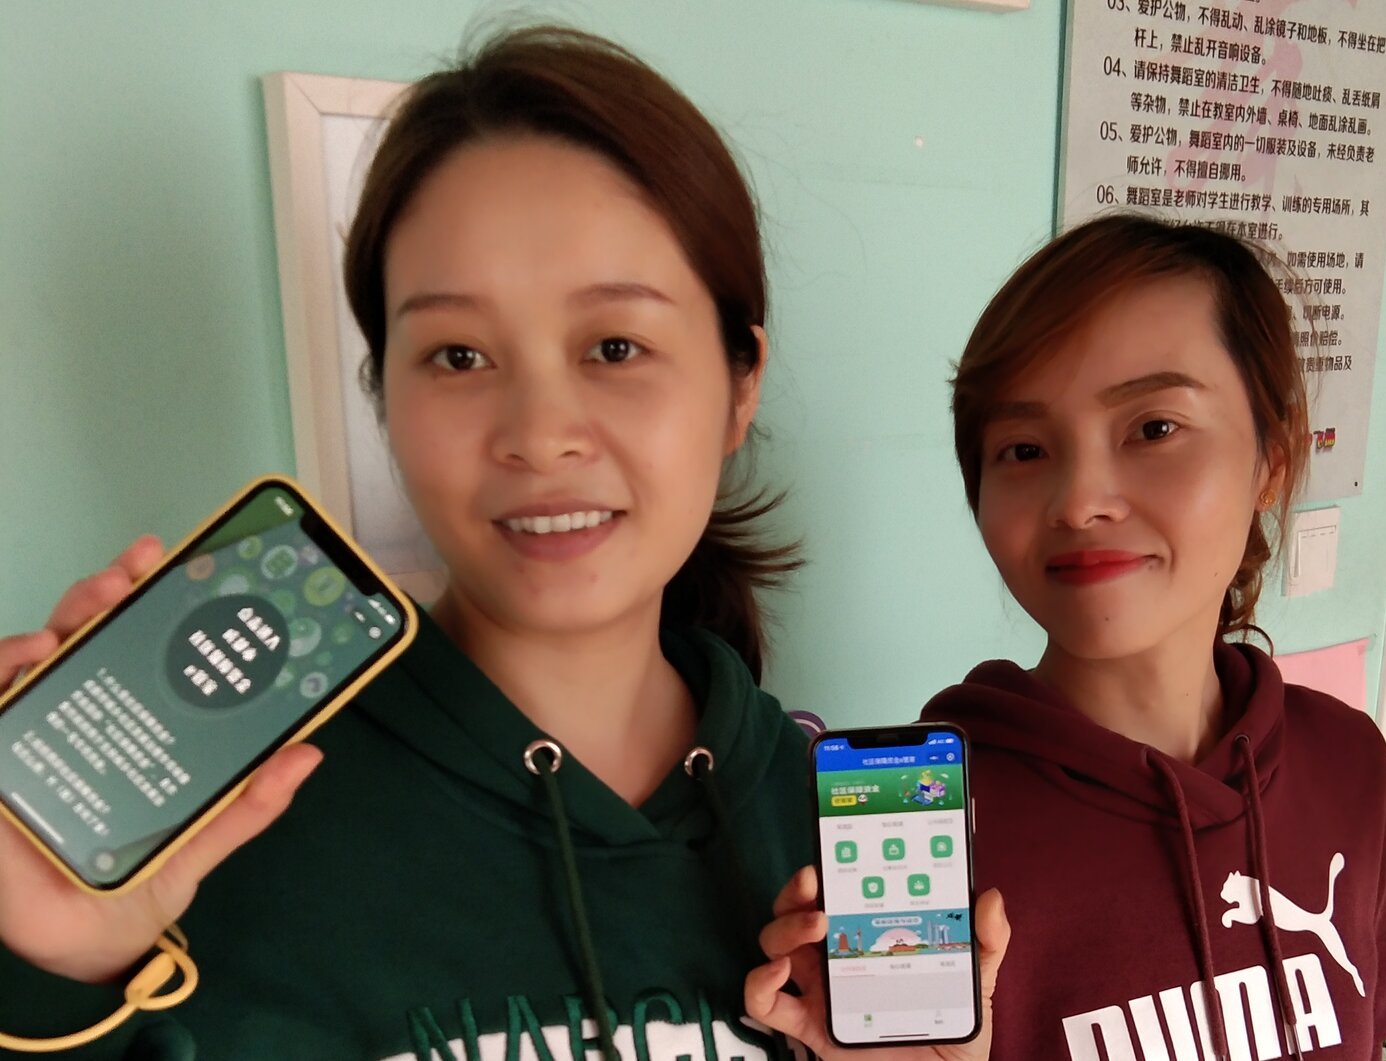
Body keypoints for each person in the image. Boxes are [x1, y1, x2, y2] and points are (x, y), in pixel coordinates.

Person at [0, 26, 819, 1060]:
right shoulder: (228, 809)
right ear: (382, 395)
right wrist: (59, 974)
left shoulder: (821, 820)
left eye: (615, 346)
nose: (537, 433)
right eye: (458, 353)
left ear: (740, 382)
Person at [918, 214, 1386, 1059]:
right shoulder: (932, 825)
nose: (1079, 499)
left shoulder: (1348, 765)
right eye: (1024, 449)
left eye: (1153, 428)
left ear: (1272, 459)